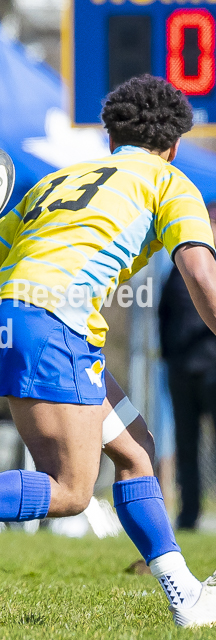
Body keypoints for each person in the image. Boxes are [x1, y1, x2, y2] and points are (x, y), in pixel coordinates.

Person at [0, 74, 216, 628]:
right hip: (55, 323)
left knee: (136, 451)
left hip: (14, 320)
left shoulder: (54, 182)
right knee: (71, 490)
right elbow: (201, 274)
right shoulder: (170, 181)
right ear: (174, 146)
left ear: (111, 140)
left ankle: (186, 598)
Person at [159, 201, 216, 531]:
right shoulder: (181, 265)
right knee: (186, 445)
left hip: (213, 371)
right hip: (180, 371)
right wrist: (168, 356)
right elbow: (164, 313)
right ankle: (189, 515)